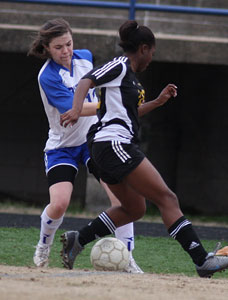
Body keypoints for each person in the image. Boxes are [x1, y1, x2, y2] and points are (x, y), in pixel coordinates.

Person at [60, 20, 228, 278]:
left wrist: (158, 102)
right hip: (113, 143)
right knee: (167, 198)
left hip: (109, 146)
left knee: (134, 209)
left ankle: (78, 239)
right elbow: (86, 81)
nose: (152, 57)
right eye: (152, 52)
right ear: (143, 48)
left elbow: (130, 112)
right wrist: (75, 109)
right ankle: (201, 259)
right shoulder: (120, 65)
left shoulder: (130, 78)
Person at [27, 18, 143, 273]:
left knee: (122, 198)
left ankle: (128, 259)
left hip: (93, 140)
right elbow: (74, 110)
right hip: (62, 145)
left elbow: (98, 87)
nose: (66, 51)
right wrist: (114, 103)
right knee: (59, 204)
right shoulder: (47, 76)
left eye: (68, 43)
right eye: (58, 47)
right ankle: (43, 245)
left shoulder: (86, 57)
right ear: (47, 48)